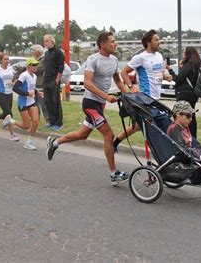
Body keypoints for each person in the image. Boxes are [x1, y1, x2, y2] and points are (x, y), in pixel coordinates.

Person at [45, 32, 130, 186]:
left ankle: (54, 142)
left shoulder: (114, 60)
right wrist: (106, 96)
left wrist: (128, 95)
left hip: (100, 104)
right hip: (90, 103)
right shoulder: (93, 59)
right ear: (103, 44)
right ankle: (114, 174)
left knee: (82, 134)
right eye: (112, 41)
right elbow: (88, 83)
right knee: (109, 135)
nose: (115, 44)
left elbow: (117, 79)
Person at [114, 29, 172, 151]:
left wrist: (166, 76)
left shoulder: (159, 56)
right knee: (156, 129)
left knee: (138, 127)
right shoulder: (140, 57)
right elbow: (124, 72)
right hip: (146, 99)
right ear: (148, 42)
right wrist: (131, 87)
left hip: (157, 99)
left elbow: (160, 71)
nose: (159, 42)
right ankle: (162, 155)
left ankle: (116, 141)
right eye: (156, 40)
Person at [2, 57, 43, 150]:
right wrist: (27, 93)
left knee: (36, 121)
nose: (35, 67)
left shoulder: (34, 76)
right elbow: (15, 88)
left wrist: (37, 92)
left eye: (36, 65)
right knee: (26, 126)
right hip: (23, 103)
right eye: (33, 65)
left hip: (32, 102)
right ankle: (10, 121)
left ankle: (29, 142)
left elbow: (31, 87)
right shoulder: (24, 76)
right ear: (28, 66)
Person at [166, 46, 201, 138]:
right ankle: (194, 138)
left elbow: (178, 79)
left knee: (185, 119)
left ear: (188, 54)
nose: (183, 54)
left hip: (185, 95)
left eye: (184, 52)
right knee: (191, 117)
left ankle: (188, 138)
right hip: (193, 95)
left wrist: (170, 69)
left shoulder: (188, 65)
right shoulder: (196, 65)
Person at [42, 34, 65, 131]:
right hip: (46, 81)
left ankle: (58, 123)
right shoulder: (46, 53)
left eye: (47, 41)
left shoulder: (58, 52)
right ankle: (51, 121)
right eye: (44, 41)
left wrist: (57, 80)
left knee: (56, 102)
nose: (45, 43)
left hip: (54, 81)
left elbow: (61, 67)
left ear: (52, 41)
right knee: (48, 102)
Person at [31, 44, 49, 124]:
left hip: (41, 85)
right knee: (35, 104)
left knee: (43, 104)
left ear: (38, 51)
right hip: (35, 85)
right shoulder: (36, 60)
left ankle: (48, 120)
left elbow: (37, 70)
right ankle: (36, 119)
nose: (32, 52)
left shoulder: (43, 59)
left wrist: (32, 67)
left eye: (33, 51)